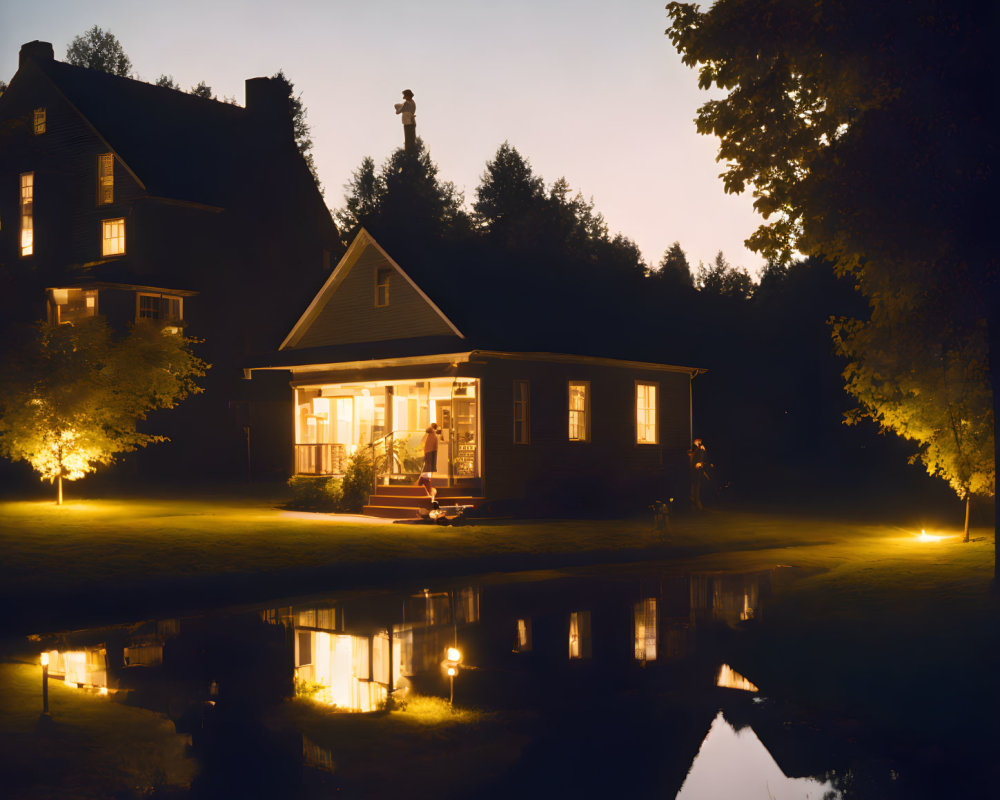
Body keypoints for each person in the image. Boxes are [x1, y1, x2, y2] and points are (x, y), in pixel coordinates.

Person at [416, 423, 438, 500]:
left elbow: (426, 431)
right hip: (430, 452)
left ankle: (422, 485)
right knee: (427, 469)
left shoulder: (430, 433)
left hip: (429, 452)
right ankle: (424, 486)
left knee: (427, 469)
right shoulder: (433, 435)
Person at [689, 437, 712, 511]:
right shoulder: (694, 450)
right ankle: (694, 507)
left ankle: (697, 507)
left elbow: (704, 461)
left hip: (697, 474)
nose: (699, 442)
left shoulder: (701, 449)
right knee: (693, 490)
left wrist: (701, 464)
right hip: (692, 474)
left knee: (696, 490)